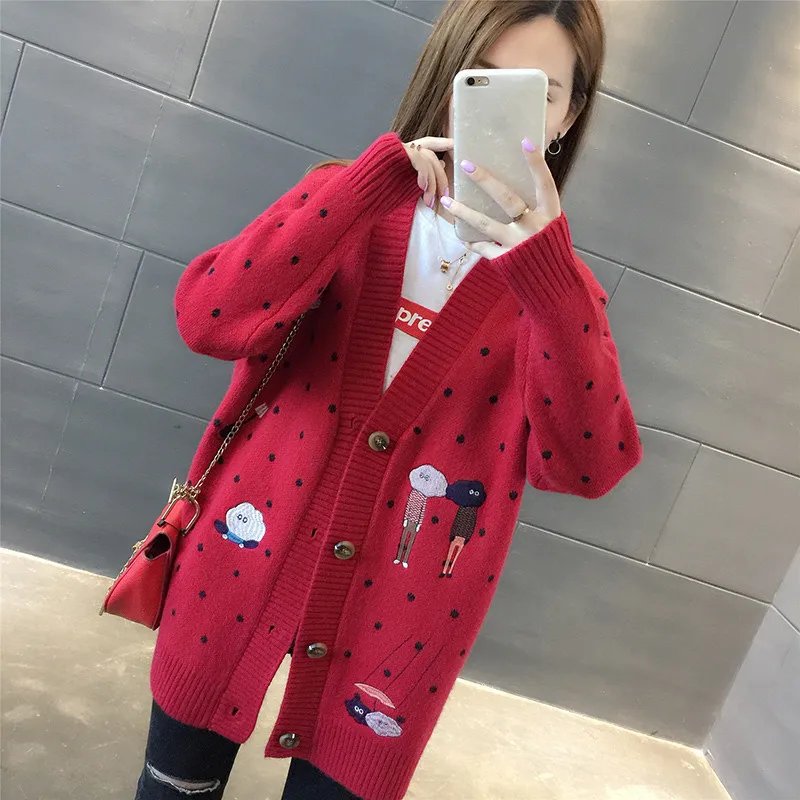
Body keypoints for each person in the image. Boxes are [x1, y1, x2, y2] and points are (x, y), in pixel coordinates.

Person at [134, 1, 642, 798]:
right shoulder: (343, 201)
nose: (505, 106)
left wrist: (548, 279)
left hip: (395, 633)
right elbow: (208, 317)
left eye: (538, 91)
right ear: (446, 76)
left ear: (567, 116)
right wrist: (366, 187)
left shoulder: (558, 297)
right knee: (174, 789)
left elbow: (589, 466)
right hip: (234, 567)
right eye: (484, 78)